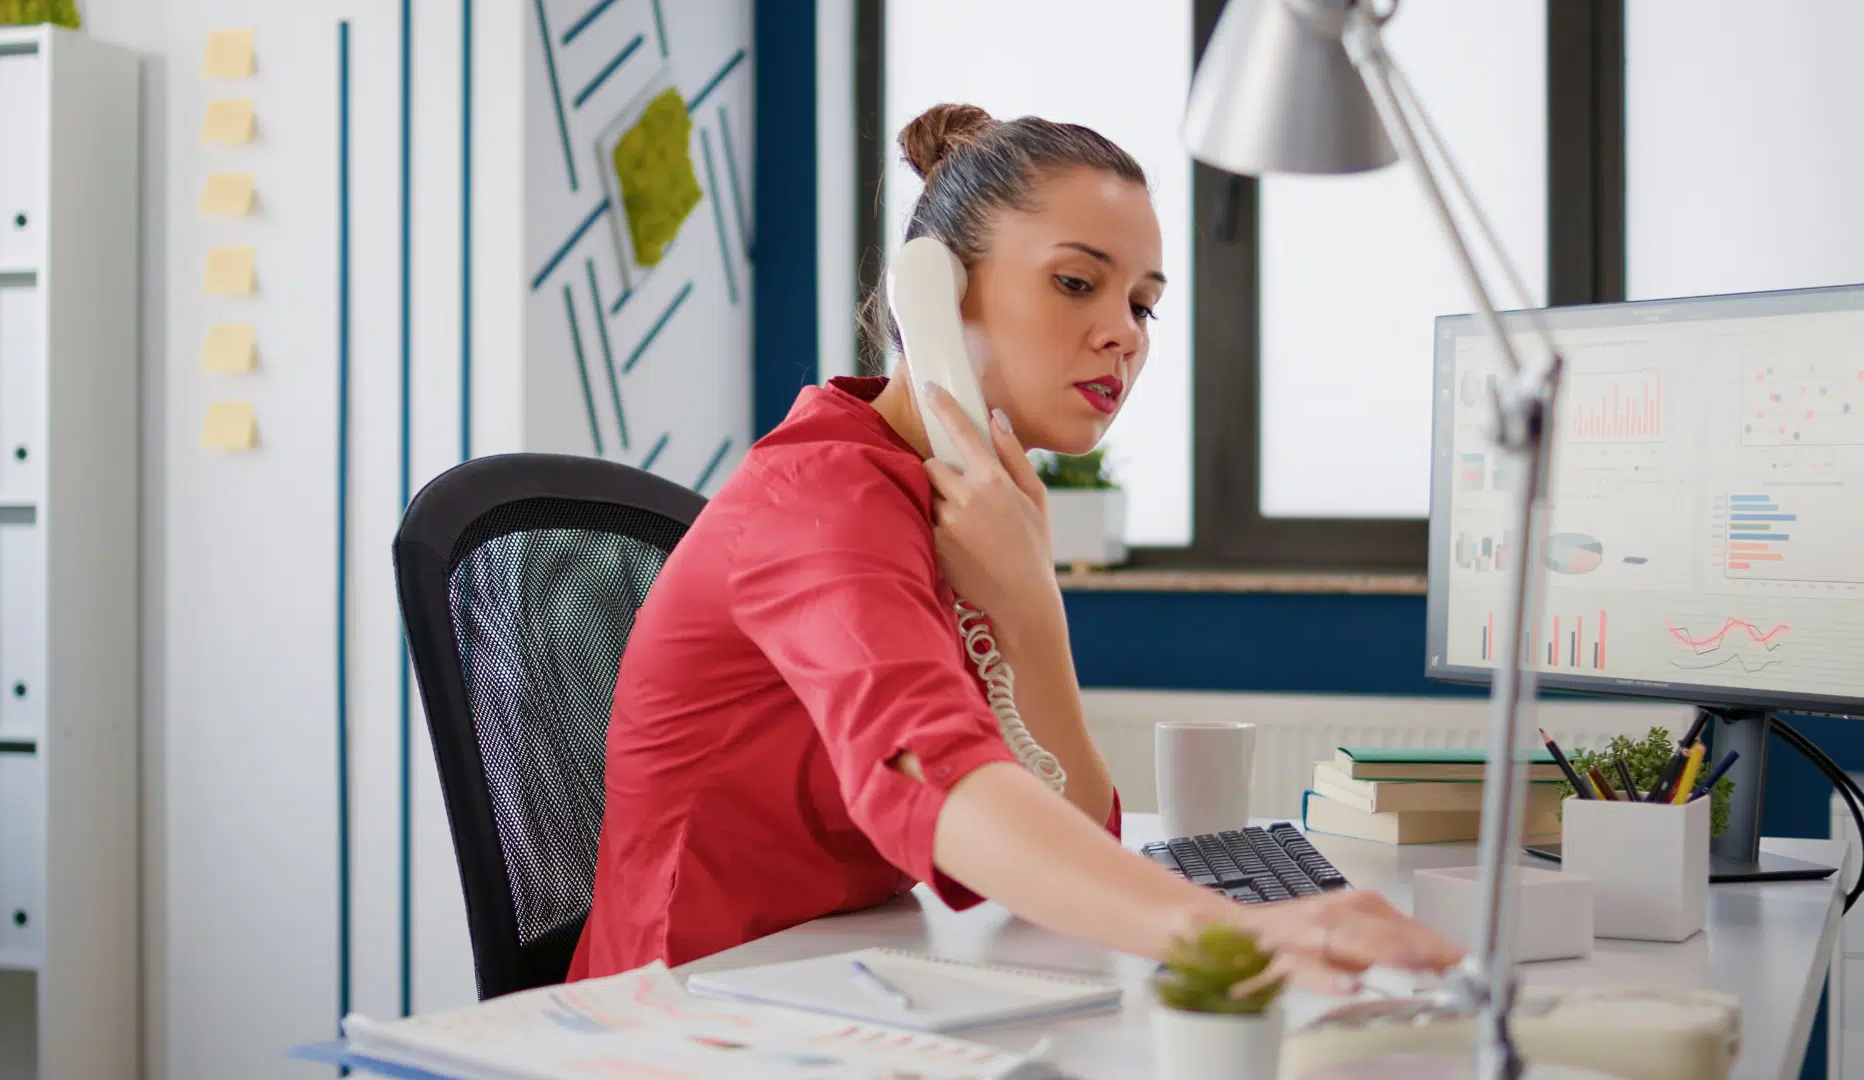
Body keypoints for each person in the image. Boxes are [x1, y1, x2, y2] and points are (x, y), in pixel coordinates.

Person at [569, 103, 1463, 996]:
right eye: (1078, 283)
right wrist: (1227, 931)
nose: (1126, 333)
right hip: (676, 1012)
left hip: (816, 984)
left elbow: (1080, 829)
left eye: (1144, 304)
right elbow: (937, 778)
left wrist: (1032, 609)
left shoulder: (962, 507)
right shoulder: (822, 502)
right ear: (937, 293)